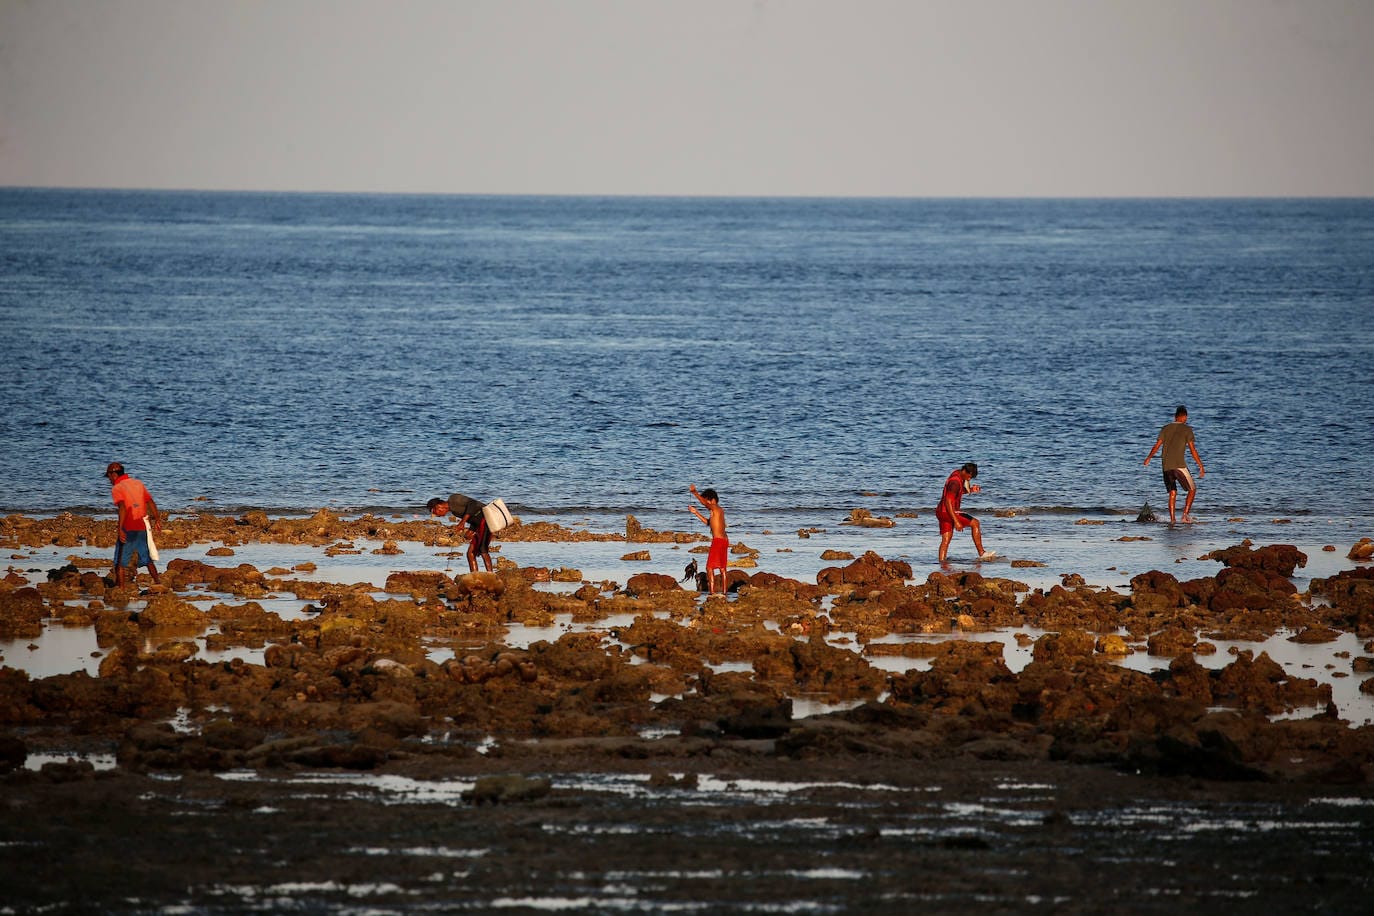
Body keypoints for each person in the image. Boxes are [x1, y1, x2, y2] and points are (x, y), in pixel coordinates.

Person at [1143, 404, 1206, 525]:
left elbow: (1157, 445)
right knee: (1192, 490)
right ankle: (1185, 516)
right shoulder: (1187, 429)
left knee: (1172, 492)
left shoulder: (1165, 428)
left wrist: (1149, 458)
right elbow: (1193, 450)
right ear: (1185, 417)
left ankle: (1172, 520)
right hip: (1179, 465)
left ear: (1175, 416)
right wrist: (1200, 465)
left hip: (1166, 466)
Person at [105, 461, 162, 587]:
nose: (109, 479)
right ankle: (159, 583)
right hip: (141, 526)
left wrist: (120, 529)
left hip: (128, 527)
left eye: (108, 476)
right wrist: (157, 519)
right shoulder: (137, 483)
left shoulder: (117, 488)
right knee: (147, 559)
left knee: (120, 563)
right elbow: (150, 502)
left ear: (113, 475)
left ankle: (121, 590)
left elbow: (123, 508)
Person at [936, 462, 994, 565]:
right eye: (969, 476)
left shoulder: (957, 475)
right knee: (975, 523)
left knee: (946, 540)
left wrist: (971, 490)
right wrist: (956, 521)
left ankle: (942, 564)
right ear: (966, 472)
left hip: (941, 512)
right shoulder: (955, 482)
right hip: (948, 511)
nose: (969, 479)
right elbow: (948, 502)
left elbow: (957, 492)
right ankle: (982, 553)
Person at [427, 492, 493, 573]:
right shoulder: (454, 511)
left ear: (438, 507)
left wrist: (462, 522)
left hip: (486, 519)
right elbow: (473, 517)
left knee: (483, 549)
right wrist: (471, 530)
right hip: (479, 525)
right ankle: (474, 576)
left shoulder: (453, 499)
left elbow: (472, 504)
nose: (438, 516)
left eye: (436, 513)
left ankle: (491, 575)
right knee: (470, 553)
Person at [688, 484, 728, 594]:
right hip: (724, 540)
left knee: (709, 567)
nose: (707, 503)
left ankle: (712, 593)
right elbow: (708, 523)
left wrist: (695, 492)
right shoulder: (718, 511)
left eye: (707, 501)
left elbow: (705, 504)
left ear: (712, 500)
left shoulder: (715, 507)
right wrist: (696, 513)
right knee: (722, 568)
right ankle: (724, 593)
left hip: (718, 541)